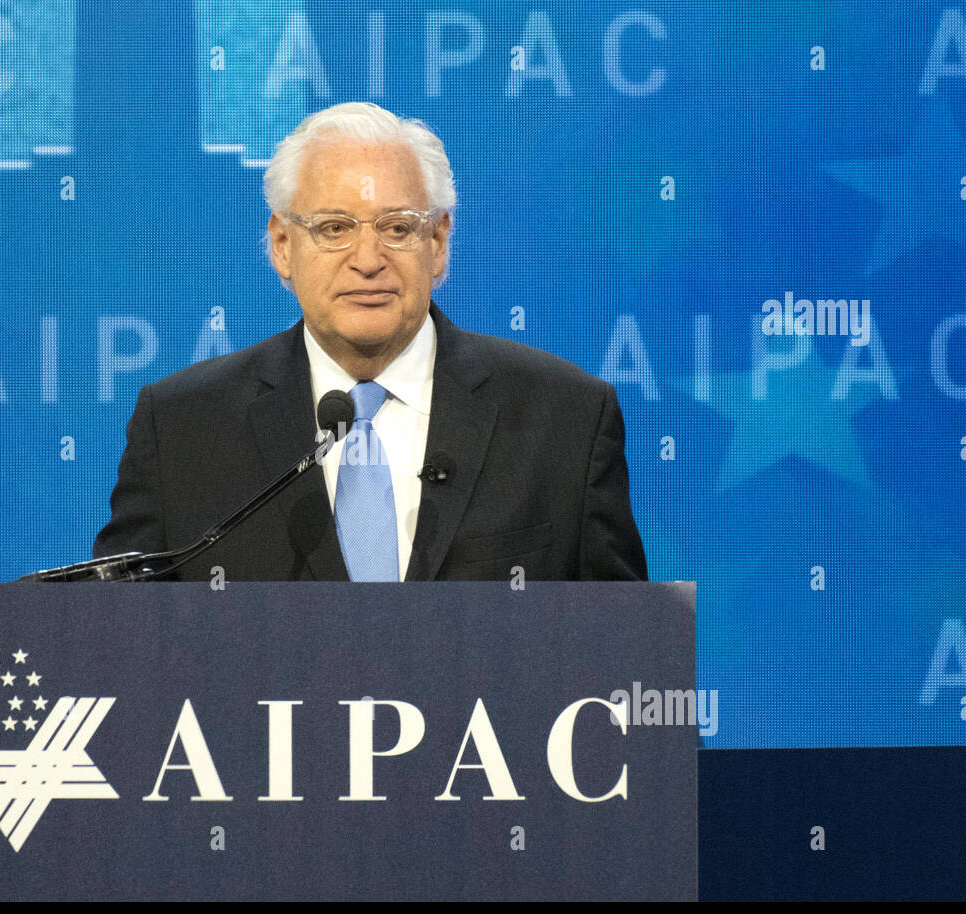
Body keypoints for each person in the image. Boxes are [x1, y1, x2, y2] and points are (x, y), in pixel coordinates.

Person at [93, 102, 647, 582]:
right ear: (282, 245)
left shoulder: (566, 419)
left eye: (398, 227)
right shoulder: (182, 427)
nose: (367, 260)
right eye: (334, 228)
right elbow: (118, 646)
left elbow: (624, 651)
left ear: (438, 242)